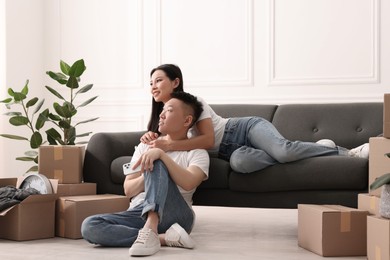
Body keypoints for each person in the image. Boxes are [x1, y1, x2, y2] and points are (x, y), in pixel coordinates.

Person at [141, 64, 369, 173]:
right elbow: (162, 145)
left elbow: (208, 139)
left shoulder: (194, 103)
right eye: (151, 82)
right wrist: (151, 137)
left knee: (285, 151)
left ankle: (345, 152)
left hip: (243, 129)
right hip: (231, 152)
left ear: (175, 82)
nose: (154, 86)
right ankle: (314, 148)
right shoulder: (162, 117)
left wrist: (170, 144)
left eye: (159, 80)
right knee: (241, 164)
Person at [81, 91, 209, 257]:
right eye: (162, 110)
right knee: (89, 226)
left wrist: (160, 155)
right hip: (139, 211)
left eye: (169, 110)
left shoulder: (197, 152)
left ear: (187, 120)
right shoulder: (144, 146)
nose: (161, 115)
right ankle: (163, 238)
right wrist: (148, 174)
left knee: (155, 159)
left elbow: (190, 182)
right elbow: (128, 189)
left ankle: (151, 226)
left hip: (177, 215)